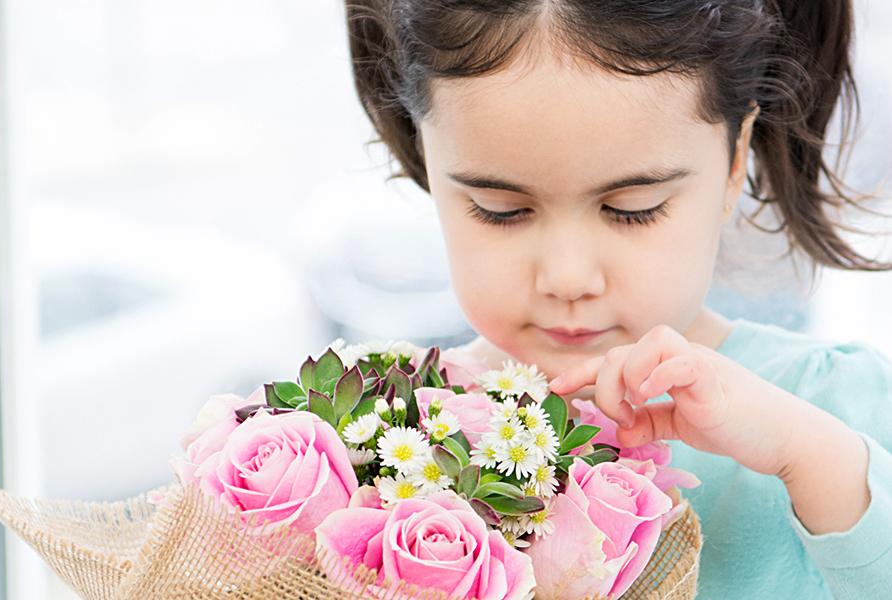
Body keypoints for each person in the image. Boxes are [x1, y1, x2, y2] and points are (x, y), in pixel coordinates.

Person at [343, 0, 892, 598]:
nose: (567, 278)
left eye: (632, 210)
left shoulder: (828, 410)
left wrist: (815, 463)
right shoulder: (386, 428)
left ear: (735, 161)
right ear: (425, 155)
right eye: (501, 211)